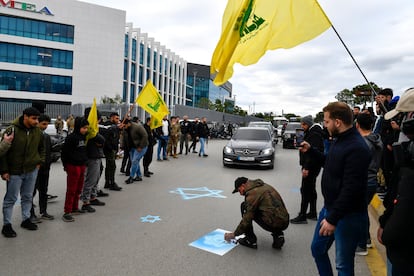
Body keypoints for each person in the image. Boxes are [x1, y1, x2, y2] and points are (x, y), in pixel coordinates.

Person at [301, 102, 371, 275]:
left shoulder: (357, 147)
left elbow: (351, 188)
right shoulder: (340, 140)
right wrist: (311, 151)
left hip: (348, 215)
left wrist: (333, 219)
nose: (325, 125)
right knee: (317, 249)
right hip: (331, 209)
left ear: (337, 122)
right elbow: (330, 162)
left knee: (343, 265)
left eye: (326, 121)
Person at [378, 88, 414, 275]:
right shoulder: (407, 155)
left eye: (405, 116)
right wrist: (384, 221)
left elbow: (405, 202)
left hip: (405, 252)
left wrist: (388, 231)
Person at [1, 107, 45, 238]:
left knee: (27, 197)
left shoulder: (37, 131)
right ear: (25, 116)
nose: (36, 121)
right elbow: (3, 153)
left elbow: (42, 148)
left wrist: (39, 162)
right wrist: (4, 171)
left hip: (32, 170)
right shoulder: (12, 129)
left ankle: (26, 219)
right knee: (11, 199)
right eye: (34, 118)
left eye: (37, 118)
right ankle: (7, 225)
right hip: (15, 172)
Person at [224, 177, 289, 250]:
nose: (240, 193)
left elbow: (247, 219)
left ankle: (250, 240)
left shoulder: (252, 194)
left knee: (244, 206)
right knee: (268, 210)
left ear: (243, 185)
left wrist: (234, 234)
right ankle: (278, 235)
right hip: (285, 221)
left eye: (239, 190)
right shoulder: (263, 185)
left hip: (272, 223)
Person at [355, 113, 383, 256]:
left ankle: (362, 244)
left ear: (357, 124)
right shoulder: (377, 139)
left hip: (364, 180)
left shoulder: (363, 143)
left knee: (359, 212)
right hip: (373, 179)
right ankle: (365, 240)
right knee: (362, 210)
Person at [290, 115, 324, 224]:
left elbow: (312, 153)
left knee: (305, 190)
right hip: (313, 165)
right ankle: (313, 212)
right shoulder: (311, 132)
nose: (302, 126)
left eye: (304, 124)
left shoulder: (314, 134)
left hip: (311, 166)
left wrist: (306, 167)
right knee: (311, 189)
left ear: (308, 124)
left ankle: (302, 215)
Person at [61, 117, 89, 222]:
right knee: (71, 190)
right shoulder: (71, 138)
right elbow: (64, 153)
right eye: (84, 128)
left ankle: (75, 207)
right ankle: (67, 211)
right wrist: (65, 166)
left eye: (86, 128)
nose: (85, 130)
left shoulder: (84, 137)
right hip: (72, 166)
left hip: (82, 165)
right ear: (78, 127)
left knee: (78, 189)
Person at [80, 107, 106, 214]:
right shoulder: (88, 129)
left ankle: (93, 197)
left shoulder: (93, 128)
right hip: (91, 157)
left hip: (96, 156)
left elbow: (102, 141)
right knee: (90, 180)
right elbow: (100, 139)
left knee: (95, 179)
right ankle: (85, 202)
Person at [30, 114, 55, 222]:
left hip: (45, 168)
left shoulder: (47, 136)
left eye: (47, 124)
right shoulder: (32, 136)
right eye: (43, 124)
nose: (45, 126)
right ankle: (30, 214)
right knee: (31, 192)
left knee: (44, 191)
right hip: (34, 168)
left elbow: (48, 152)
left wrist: (48, 164)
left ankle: (43, 211)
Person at [100, 112, 123, 191]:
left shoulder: (115, 126)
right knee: (112, 166)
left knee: (109, 166)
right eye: (116, 118)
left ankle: (107, 183)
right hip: (109, 149)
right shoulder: (108, 126)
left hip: (113, 148)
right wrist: (111, 148)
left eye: (118, 119)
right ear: (112, 118)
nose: (118, 120)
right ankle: (112, 183)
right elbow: (106, 138)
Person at [124, 119, 148, 184]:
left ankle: (131, 177)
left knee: (135, 161)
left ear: (129, 123)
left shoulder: (137, 127)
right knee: (134, 161)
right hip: (131, 147)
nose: (124, 126)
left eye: (125, 125)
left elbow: (145, 136)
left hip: (140, 147)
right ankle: (139, 176)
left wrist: (141, 146)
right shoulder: (125, 129)